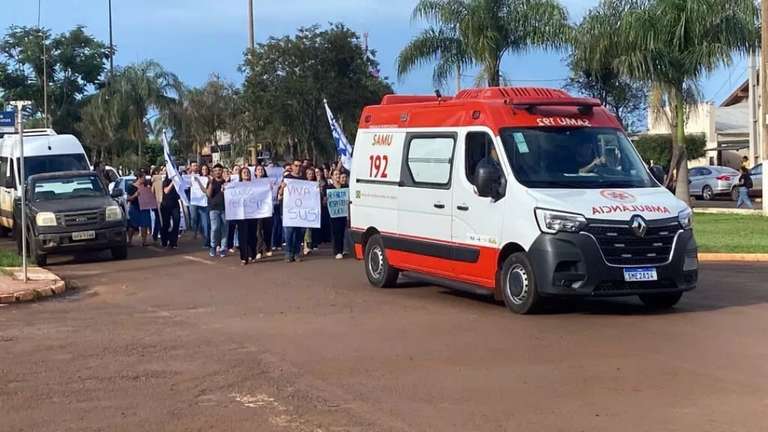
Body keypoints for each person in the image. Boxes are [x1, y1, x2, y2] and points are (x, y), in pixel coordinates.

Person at [278, 159, 306, 262]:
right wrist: (282, 188)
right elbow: (280, 195)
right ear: (292, 166)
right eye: (296, 165)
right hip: (288, 210)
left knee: (299, 233)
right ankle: (288, 253)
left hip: (300, 211)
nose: (298, 168)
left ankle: (297, 253)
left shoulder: (304, 179)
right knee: (289, 233)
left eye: (300, 166)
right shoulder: (287, 178)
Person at [234, 167, 257, 265]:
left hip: (253, 214)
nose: (246, 174)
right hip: (241, 215)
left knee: (252, 235)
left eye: (248, 172)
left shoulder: (255, 185)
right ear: (240, 175)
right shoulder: (236, 186)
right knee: (242, 236)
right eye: (244, 172)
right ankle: (244, 257)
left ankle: (253, 254)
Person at [206, 163, 229, 257]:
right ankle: (213, 246)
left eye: (219, 170)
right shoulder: (211, 182)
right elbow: (208, 194)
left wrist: (226, 186)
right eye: (215, 171)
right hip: (213, 208)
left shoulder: (226, 181)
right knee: (215, 228)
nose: (217, 172)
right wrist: (211, 183)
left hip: (225, 208)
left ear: (222, 171)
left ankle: (223, 248)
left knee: (224, 229)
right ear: (213, 172)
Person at [127, 172, 153, 247]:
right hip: (135, 207)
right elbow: (128, 199)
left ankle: (144, 241)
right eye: (143, 178)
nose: (144, 179)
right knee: (133, 225)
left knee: (144, 224)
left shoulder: (146, 186)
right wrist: (135, 195)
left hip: (144, 207)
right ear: (139, 177)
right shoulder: (131, 187)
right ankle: (129, 240)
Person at [253, 165, 273, 260]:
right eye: (258, 169)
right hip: (256, 211)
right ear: (255, 172)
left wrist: (271, 187)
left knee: (267, 230)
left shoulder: (268, 181)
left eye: (262, 169)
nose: (260, 171)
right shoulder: (252, 182)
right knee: (258, 231)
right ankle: (259, 250)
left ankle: (268, 248)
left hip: (267, 209)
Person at [327, 169, 347, 259]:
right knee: (336, 232)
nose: (337, 176)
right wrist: (325, 200)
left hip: (343, 213)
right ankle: (337, 251)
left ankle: (341, 249)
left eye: (338, 174)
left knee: (342, 232)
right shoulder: (329, 188)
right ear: (332, 177)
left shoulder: (345, 186)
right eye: (335, 174)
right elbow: (324, 201)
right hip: (333, 214)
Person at [160, 170, 181, 248]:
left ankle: (173, 241)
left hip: (175, 204)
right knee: (166, 224)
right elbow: (166, 191)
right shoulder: (166, 181)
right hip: (166, 205)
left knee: (177, 222)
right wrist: (173, 182)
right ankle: (164, 240)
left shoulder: (178, 181)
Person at [151, 167, 165, 243]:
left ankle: (156, 234)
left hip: (158, 202)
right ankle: (158, 234)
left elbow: (152, 192)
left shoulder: (155, 181)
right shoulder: (157, 180)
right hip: (160, 202)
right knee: (160, 220)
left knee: (158, 220)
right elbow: (152, 192)